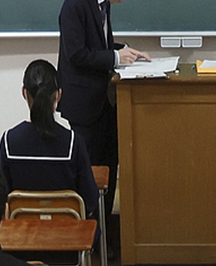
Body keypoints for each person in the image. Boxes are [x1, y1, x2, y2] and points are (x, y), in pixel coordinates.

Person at [58, 0, 150, 245]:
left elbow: (102, 45)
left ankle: (103, 233)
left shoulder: (102, 5)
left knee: (109, 165)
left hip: (105, 102)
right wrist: (115, 57)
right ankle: (87, 235)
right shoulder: (74, 5)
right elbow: (76, 53)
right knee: (88, 172)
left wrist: (127, 51)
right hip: (84, 103)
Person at [0, 60, 102, 223]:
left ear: (24, 93)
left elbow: (2, 199)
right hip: (69, 240)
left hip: (22, 239)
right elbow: (90, 201)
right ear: (59, 95)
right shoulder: (73, 142)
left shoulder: (8, 141)